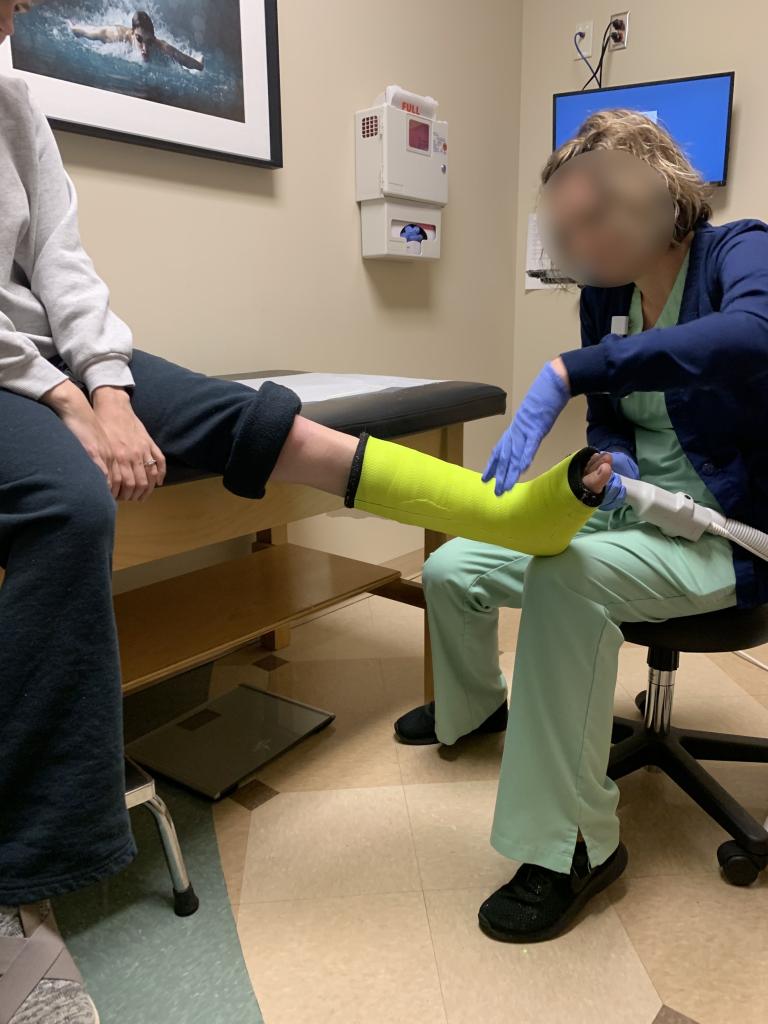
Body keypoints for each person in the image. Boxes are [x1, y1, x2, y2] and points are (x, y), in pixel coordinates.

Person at [0, 3, 611, 1019]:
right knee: (71, 505)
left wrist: (106, 383)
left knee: (269, 425)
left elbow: (63, 265)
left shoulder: (15, 96)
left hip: (62, 355)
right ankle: (19, 892)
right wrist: (70, 403)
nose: (16, 15)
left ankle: (513, 516)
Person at [396, 107, 768, 944]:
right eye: (569, 226)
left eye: (596, 216)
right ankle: (476, 711)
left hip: (729, 534)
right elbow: (611, 420)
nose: (583, 241)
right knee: (456, 568)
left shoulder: (740, 250)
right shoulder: (605, 297)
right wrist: (608, 466)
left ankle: (573, 847)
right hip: (638, 517)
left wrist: (573, 368)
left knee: (566, 582)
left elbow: (752, 338)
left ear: (659, 193)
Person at [70, 10, 205, 72]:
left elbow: (190, 63)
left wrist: (199, 64)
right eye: (140, 40)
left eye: (149, 42)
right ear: (133, 33)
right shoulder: (116, 35)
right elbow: (90, 31)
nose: (145, 49)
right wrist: (75, 28)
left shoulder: (162, 47)